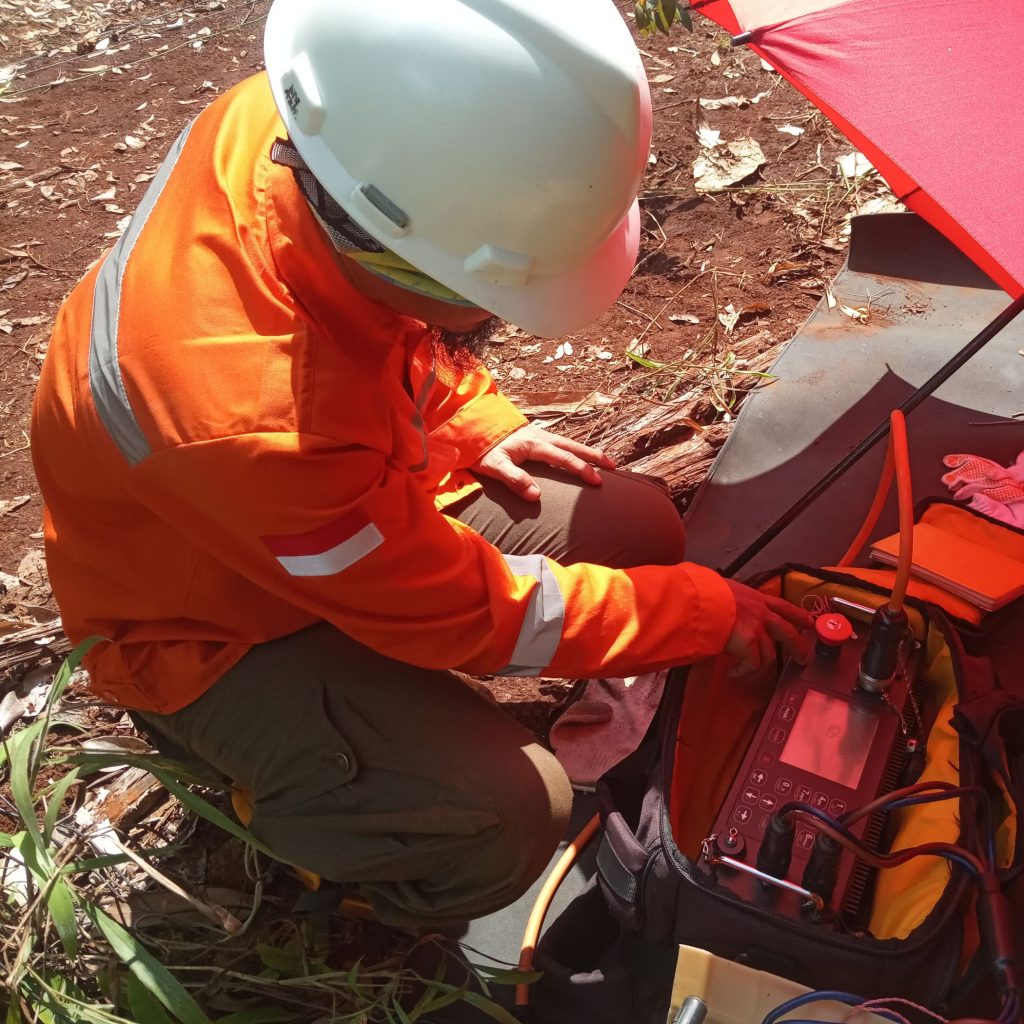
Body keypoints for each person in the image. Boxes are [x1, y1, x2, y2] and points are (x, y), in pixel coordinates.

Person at [31, 0, 810, 927]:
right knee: (507, 816)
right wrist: (695, 613)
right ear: (412, 263)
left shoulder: (322, 127)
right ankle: (302, 826)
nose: (498, 320)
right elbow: (458, 614)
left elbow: (363, 328)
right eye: (486, 294)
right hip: (207, 630)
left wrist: (473, 419)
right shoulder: (258, 421)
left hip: (305, 514)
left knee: (632, 528)